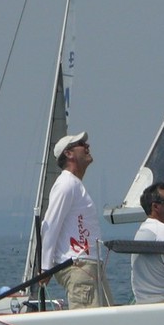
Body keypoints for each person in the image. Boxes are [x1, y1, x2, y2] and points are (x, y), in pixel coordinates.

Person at [40, 131, 114, 308]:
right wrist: (45, 268)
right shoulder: (66, 184)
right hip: (80, 267)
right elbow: (50, 225)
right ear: (69, 153)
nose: (88, 147)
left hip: (90, 267)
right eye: (82, 144)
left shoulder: (74, 185)